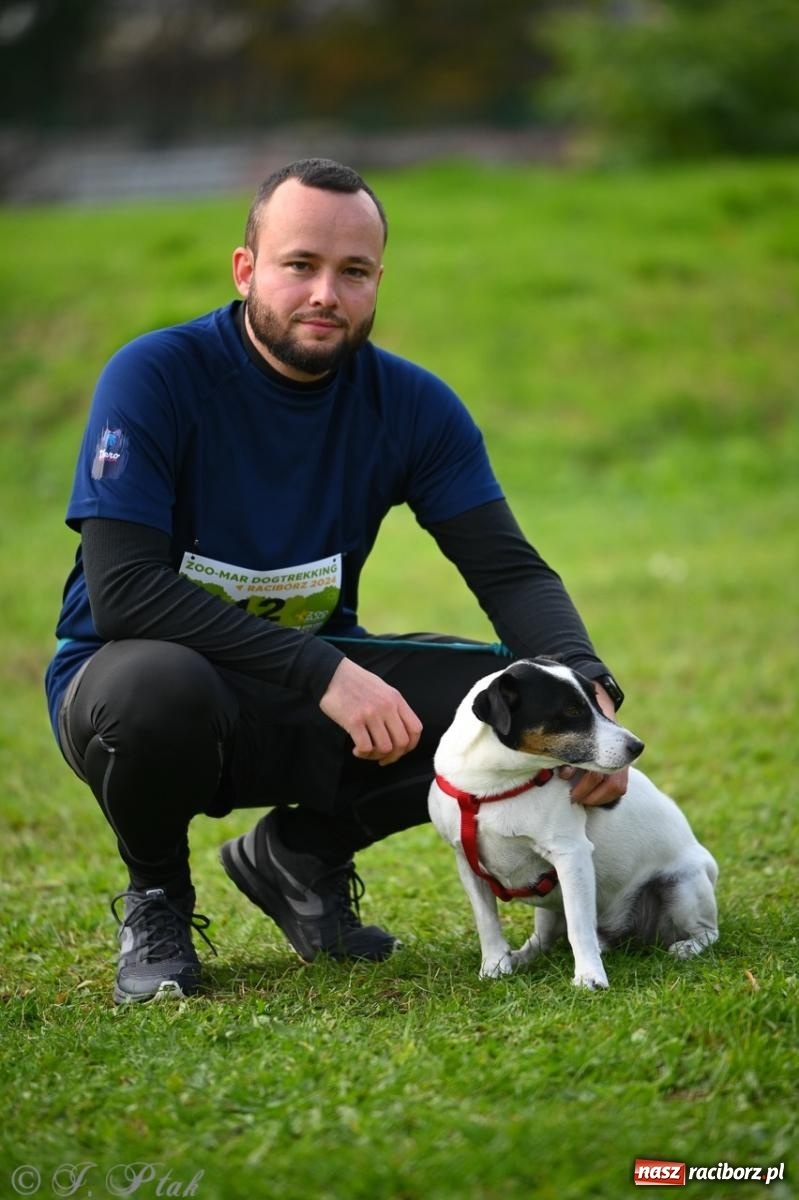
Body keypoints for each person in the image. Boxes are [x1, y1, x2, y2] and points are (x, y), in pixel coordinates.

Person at [45, 158, 628, 1005]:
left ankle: (302, 855)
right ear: (246, 269)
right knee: (154, 684)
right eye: (299, 265)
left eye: (352, 272)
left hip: (307, 694)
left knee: (496, 700)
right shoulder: (155, 376)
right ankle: (158, 898)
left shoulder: (413, 405)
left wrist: (590, 688)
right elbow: (124, 591)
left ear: (376, 281)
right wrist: (323, 669)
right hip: (134, 691)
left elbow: (507, 568)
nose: (326, 292)